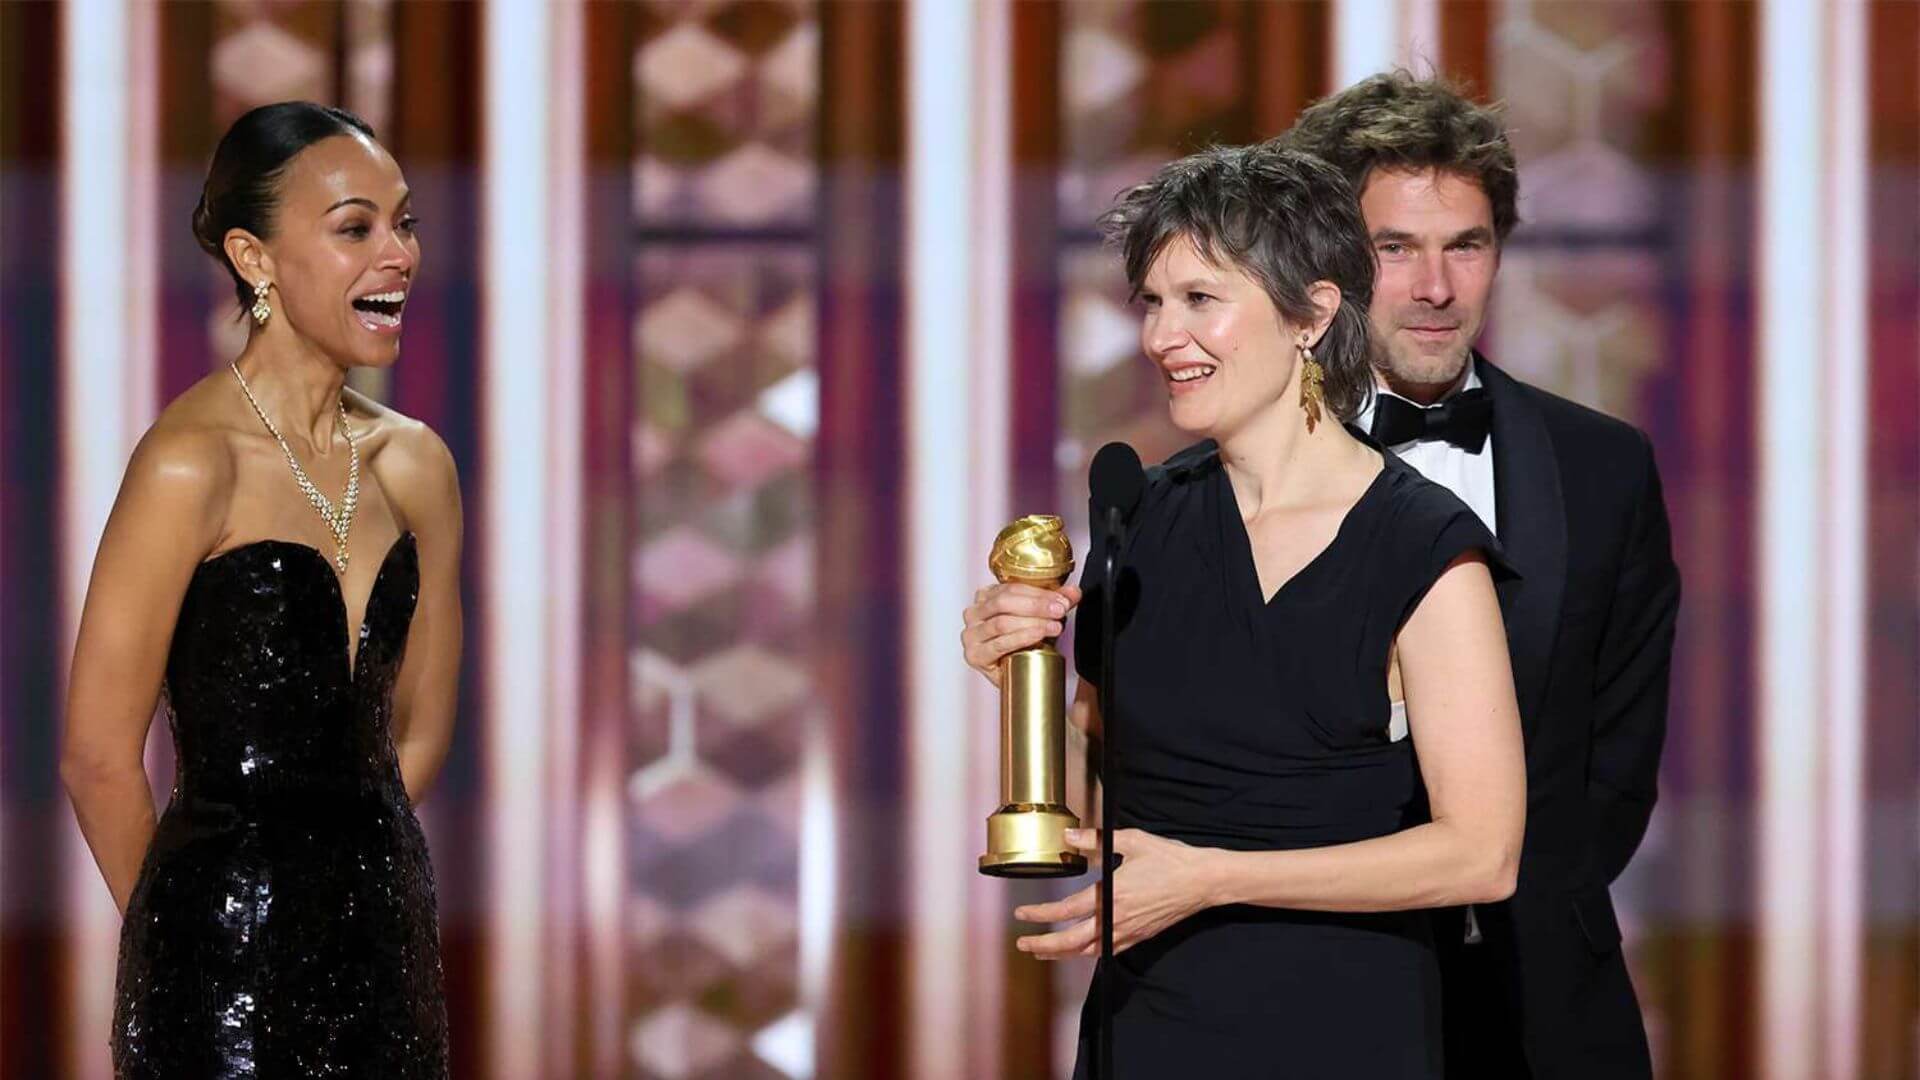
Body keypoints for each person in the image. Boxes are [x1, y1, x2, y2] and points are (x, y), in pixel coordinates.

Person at [966, 145, 1526, 1078]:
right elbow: (1094, 808)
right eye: (1153, 302)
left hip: (1346, 1036)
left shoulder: (1423, 545)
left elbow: (1482, 855)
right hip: (1149, 1031)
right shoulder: (1139, 520)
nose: (1162, 336)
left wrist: (1211, 879)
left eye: (1200, 299)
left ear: (1312, 314)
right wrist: (1019, 683)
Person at [1278, 72, 1681, 1078]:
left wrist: (1509, 907)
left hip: (1541, 1006)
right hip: (1303, 997)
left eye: (1466, 244)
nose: (1436, 287)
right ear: (1326, 263)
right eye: (1394, 248)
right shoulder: (1233, 475)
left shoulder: (1604, 468)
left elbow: (1617, 762)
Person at [59, 101, 459, 1078]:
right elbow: (97, 757)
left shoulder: (417, 467)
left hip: (384, 959)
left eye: (404, 223)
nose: (399, 255)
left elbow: (418, 730)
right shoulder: (190, 463)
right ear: (255, 258)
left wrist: (343, 897)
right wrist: (191, 940)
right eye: (356, 228)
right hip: (216, 975)